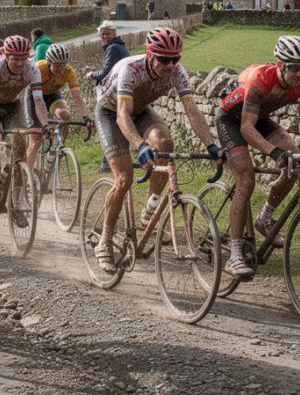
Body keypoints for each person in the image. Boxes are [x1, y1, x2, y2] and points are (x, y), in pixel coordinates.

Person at [215, 35, 300, 278]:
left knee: (294, 160)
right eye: (294, 68)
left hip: (259, 117)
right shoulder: (260, 80)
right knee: (246, 180)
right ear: (280, 65)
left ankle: (265, 217)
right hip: (232, 121)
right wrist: (273, 151)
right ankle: (235, 255)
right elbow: (246, 128)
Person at [93, 27, 220, 273]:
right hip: (111, 111)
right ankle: (104, 241)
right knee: (124, 178)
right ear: (150, 54)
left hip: (140, 110)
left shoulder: (177, 73)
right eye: (164, 59)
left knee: (165, 144)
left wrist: (211, 145)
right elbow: (121, 115)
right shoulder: (131, 69)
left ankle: (150, 206)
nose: (171, 65)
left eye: (176, 59)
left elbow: (192, 111)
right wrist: (140, 145)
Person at [0, 35, 48, 205]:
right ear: (6, 56)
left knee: (21, 145)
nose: (20, 63)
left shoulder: (32, 69)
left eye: (24, 58)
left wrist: (45, 125)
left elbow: (38, 101)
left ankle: (17, 201)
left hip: (12, 105)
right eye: (15, 59)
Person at [89, 20, 129, 173]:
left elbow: (106, 72)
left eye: (107, 34)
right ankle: (111, 162)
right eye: (102, 34)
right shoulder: (119, 47)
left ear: (114, 34)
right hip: (122, 93)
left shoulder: (112, 48)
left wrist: (91, 75)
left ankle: (107, 164)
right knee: (117, 128)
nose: (104, 36)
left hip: (115, 95)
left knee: (109, 128)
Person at [27, 43, 91, 128]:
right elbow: (38, 100)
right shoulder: (38, 68)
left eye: (63, 65)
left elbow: (77, 97)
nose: (61, 69)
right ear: (49, 62)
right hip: (34, 96)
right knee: (36, 132)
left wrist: (85, 117)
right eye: (57, 65)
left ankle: (60, 141)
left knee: (65, 115)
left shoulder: (68, 71)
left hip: (51, 94)